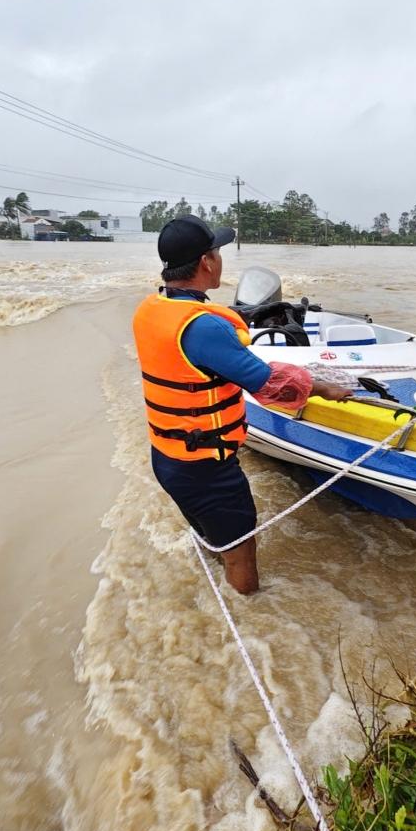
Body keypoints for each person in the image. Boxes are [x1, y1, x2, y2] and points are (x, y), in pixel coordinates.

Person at [132, 215, 353, 595]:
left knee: (210, 532)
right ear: (206, 262)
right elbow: (268, 384)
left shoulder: (152, 310)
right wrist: (323, 388)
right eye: (217, 252)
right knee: (241, 550)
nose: (220, 259)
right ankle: (247, 614)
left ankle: (210, 587)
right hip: (206, 468)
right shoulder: (203, 327)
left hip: (169, 456)